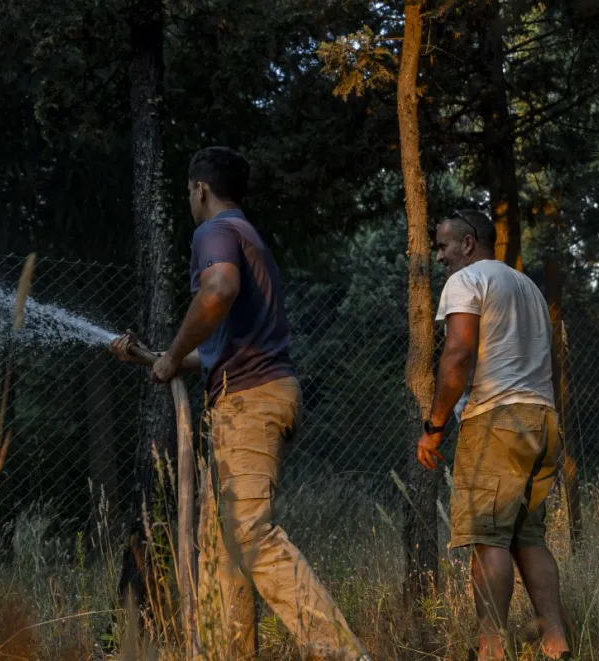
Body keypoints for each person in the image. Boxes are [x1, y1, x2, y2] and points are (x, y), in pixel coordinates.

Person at [111, 146, 369, 661]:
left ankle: (343, 654)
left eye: (189, 192)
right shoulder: (248, 236)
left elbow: (218, 291)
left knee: (249, 534)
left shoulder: (214, 231)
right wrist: (160, 358)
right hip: (256, 393)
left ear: (199, 189)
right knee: (223, 553)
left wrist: (174, 354)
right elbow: (223, 345)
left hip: (249, 402)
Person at [415, 210, 572, 661]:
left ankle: (491, 648)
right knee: (529, 539)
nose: (439, 255)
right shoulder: (528, 288)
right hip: (542, 418)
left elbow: (459, 352)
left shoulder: (467, 281)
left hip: (496, 420)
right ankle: (556, 642)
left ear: (468, 244)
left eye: (444, 245)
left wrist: (436, 425)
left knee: (489, 539)